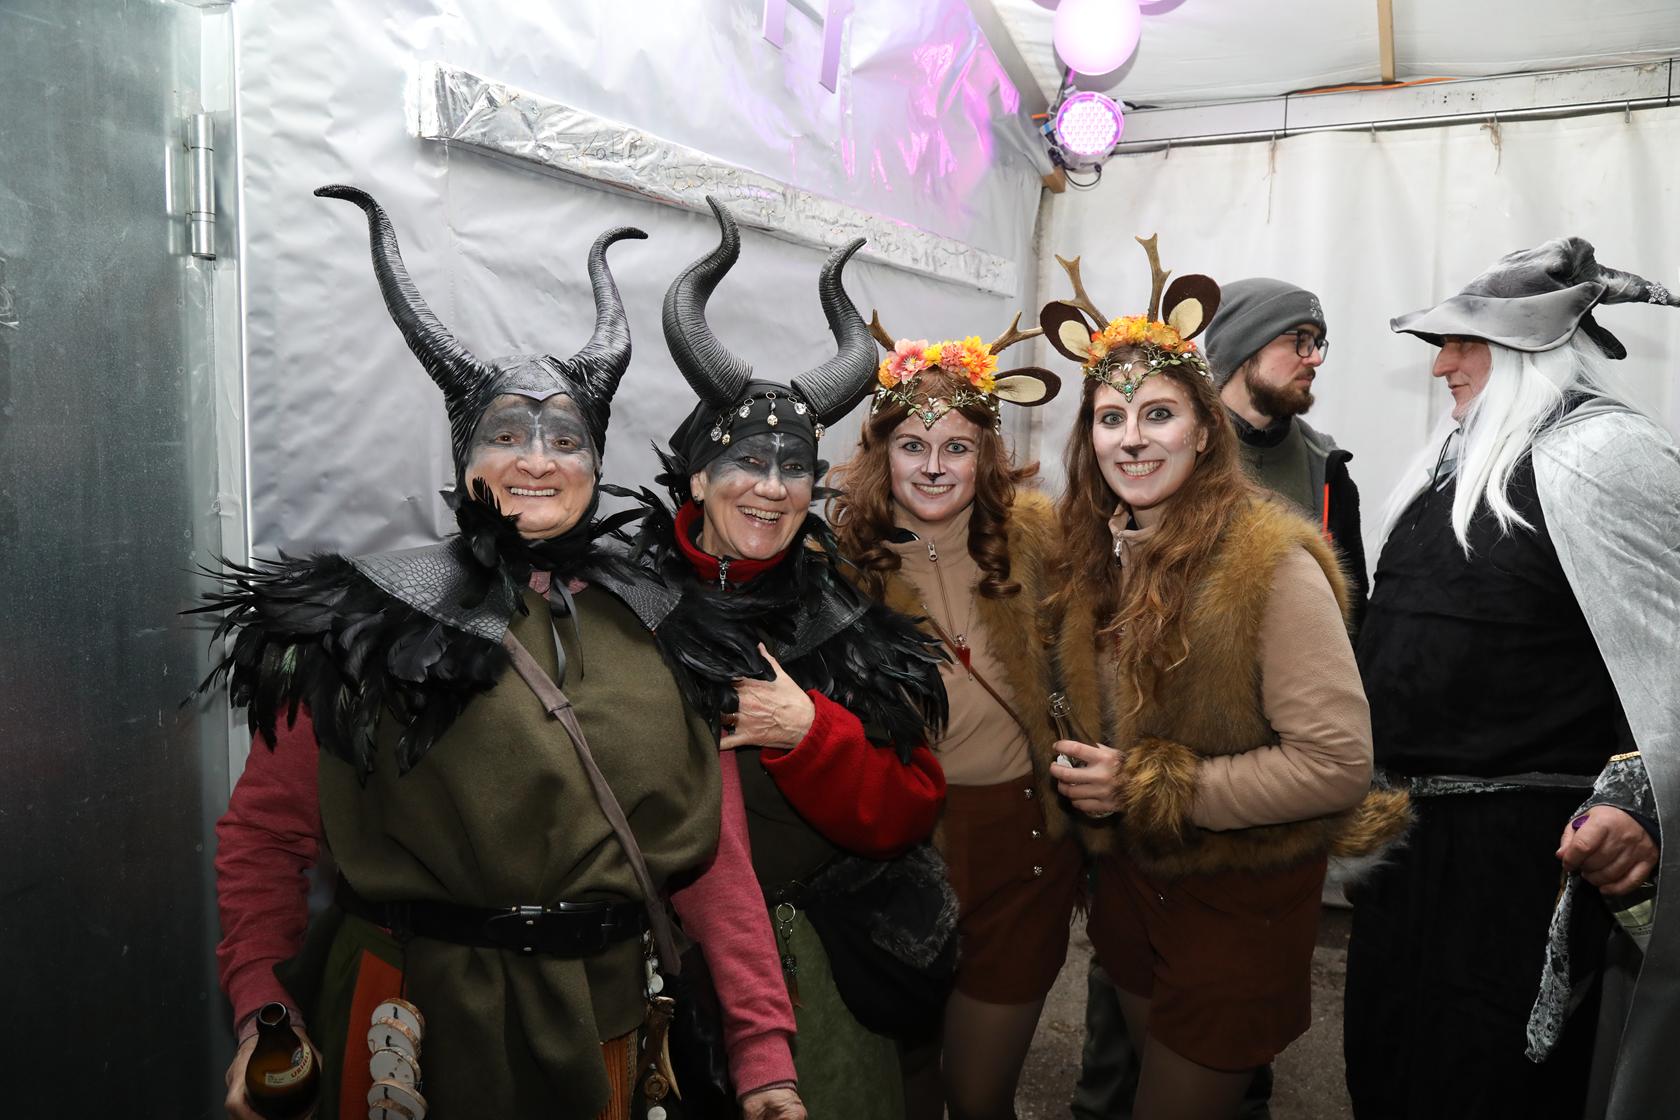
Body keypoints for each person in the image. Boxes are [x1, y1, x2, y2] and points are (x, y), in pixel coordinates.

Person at [198, 186, 803, 1120]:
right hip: (406, 1027)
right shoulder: (369, 618)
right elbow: (267, 838)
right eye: (506, 434)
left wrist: (764, 1056)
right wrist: (262, 1012)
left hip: (601, 1020)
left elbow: (717, 860)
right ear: (464, 456)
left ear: (595, 465)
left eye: (566, 439)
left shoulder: (665, 621)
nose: (538, 460)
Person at [1031, 237, 1407, 1120]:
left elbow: (1335, 764)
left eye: (1158, 414)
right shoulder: (1098, 555)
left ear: (1204, 431)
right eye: (1111, 418)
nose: (1132, 438)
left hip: (1237, 905)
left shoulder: (1269, 561)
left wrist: (1148, 787)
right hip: (1133, 895)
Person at [607, 197, 953, 1120]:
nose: (770, 487)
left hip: (807, 971)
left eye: (793, 465)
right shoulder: (619, 601)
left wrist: (807, 732)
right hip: (635, 963)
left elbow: (912, 806)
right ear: (697, 475)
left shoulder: (845, 618)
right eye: (745, 462)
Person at [1344, 236, 1680, 1120]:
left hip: (1521, 864)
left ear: (1532, 347)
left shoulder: (1605, 452)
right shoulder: (1451, 469)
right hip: (1406, 851)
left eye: (1464, 343)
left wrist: (1640, 801)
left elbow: (1669, 656)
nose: (1440, 366)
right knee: (1388, 1070)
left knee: (1493, 1087)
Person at [826, 315, 1074, 1120]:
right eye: (913, 445)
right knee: (905, 1084)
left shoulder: (1038, 541)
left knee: (977, 1093)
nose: (934, 467)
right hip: (896, 852)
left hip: (1021, 849)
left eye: (957, 447)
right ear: (882, 453)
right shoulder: (837, 565)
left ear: (986, 455)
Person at [1205, 277, 1366, 624]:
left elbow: (1352, 617)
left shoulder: (1326, 465)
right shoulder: (1180, 454)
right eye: (1300, 341)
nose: (1316, 358)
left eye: (1317, 343)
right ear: (1245, 347)